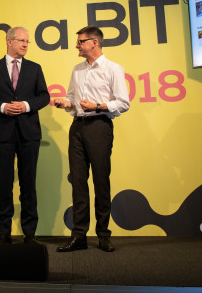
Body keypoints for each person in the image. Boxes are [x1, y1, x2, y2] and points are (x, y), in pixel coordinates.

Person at [54, 25, 129, 252]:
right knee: (78, 182)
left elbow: (123, 103)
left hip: (99, 127)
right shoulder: (77, 70)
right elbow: (71, 97)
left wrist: (98, 106)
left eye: (80, 42)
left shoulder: (113, 69)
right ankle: (79, 236)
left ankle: (104, 234)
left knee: (100, 181)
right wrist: (66, 103)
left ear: (94, 43)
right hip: (77, 127)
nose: (76, 45)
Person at [0, 26, 50, 244]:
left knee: (28, 184)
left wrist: (26, 105)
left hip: (29, 135)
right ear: (9, 41)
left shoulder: (35, 68)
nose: (26, 44)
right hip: (2, 135)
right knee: (4, 184)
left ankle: (29, 234)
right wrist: (2, 107)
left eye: (28, 41)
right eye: (22, 40)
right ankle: (4, 233)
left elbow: (44, 96)